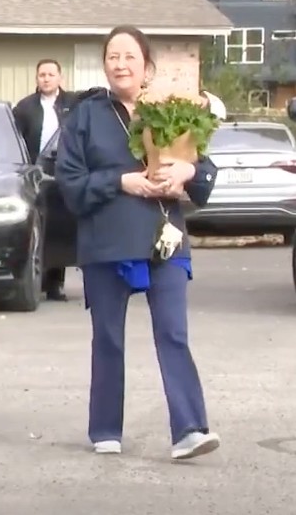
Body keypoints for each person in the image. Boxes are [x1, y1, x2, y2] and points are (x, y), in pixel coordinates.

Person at [55, 24, 221, 460]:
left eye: (129, 56)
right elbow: (70, 185)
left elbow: (205, 172)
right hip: (107, 244)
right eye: (113, 56)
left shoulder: (171, 112)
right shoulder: (85, 116)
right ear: (104, 65)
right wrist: (122, 181)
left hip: (164, 239)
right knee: (108, 337)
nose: (120, 64)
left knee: (173, 333)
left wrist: (187, 172)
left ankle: (190, 429)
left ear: (147, 67)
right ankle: (105, 429)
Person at [13, 58, 80, 301]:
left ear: (60, 78)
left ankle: (55, 284)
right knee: (37, 226)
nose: (46, 78)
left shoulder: (73, 104)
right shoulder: (25, 107)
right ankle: (35, 279)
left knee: (59, 227)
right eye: (42, 74)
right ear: (37, 79)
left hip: (63, 174)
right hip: (34, 175)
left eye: (51, 74)